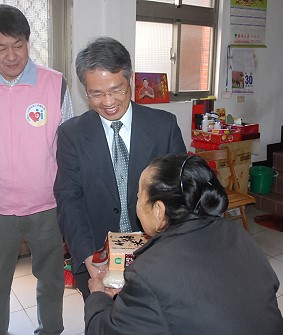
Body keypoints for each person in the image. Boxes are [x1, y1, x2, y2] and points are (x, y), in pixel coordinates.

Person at [0, 4, 73, 335]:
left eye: (18, 45)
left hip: (46, 204)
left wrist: (71, 196)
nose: (11, 56)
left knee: (50, 276)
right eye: (0, 47)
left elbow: (69, 148)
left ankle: (50, 329)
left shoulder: (54, 84)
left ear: (28, 41)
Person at [85, 153, 283, 335]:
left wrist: (97, 296)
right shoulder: (237, 233)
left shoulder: (148, 272)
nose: (137, 203)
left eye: (139, 197)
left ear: (159, 210)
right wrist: (140, 303)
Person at [54, 36, 186, 300]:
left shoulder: (164, 126)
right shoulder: (72, 134)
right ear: (84, 90)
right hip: (98, 258)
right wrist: (89, 257)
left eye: (117, 89)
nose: (108, 101)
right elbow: (69, 198)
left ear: (131, 80)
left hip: (156, 253)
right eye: (97, 93)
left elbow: (180, 192)